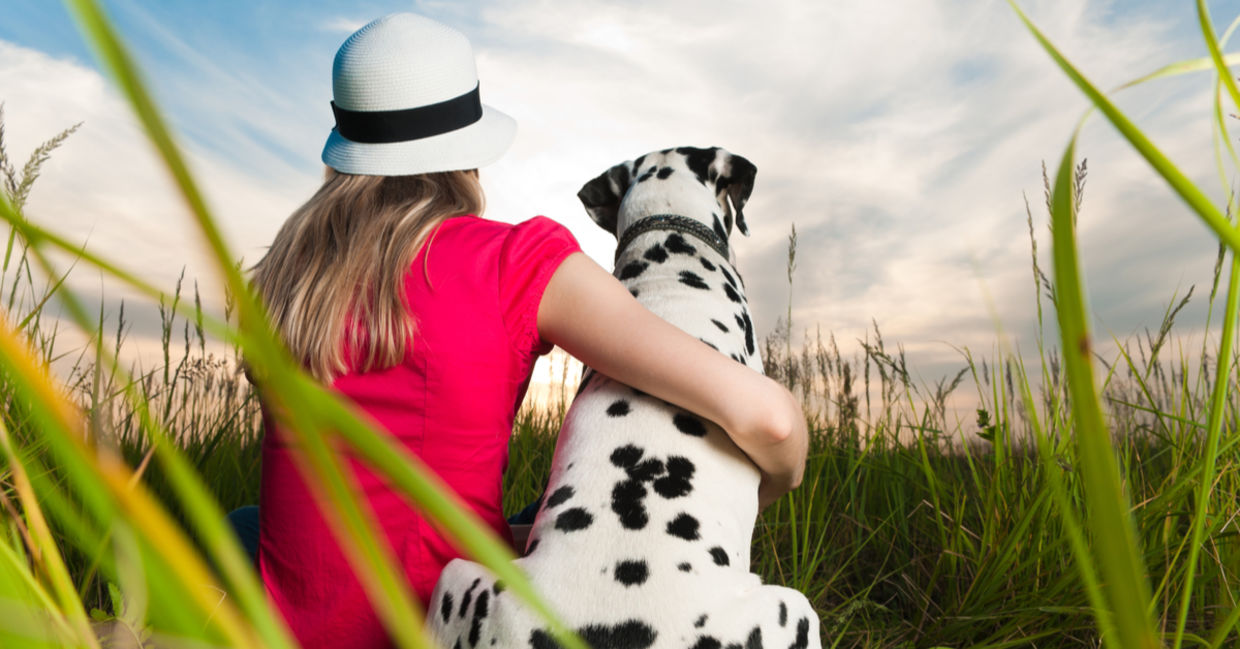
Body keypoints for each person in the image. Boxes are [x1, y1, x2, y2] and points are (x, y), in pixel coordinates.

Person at [236, 12, 808, 649]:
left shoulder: (285, 278)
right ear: (469, 154)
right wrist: (776, 475)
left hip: (291, 619)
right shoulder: (514, 260)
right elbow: (770, 421)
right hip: (429, 617)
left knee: (243, 524)